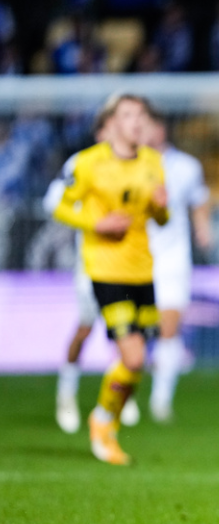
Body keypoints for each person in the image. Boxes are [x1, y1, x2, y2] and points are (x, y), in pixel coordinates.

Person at [52, 93, 168, 465]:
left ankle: (109, 420)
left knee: (139, 360)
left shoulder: (152, 161)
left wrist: (160, 208)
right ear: (112, 123)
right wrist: (96, 223)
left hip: (142, 270)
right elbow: (58, 204)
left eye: (142, 115)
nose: (137, 122)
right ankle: (102, 423)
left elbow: (160, 218)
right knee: (132, 358)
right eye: (128, 115)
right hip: (105, 270)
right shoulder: (88, 164)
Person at [47, 110, 142, 433]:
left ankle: (119, 398)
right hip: (93, 263)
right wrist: (94, 224)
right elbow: (52, 201)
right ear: (102, 131)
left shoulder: (138, 163)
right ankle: (66, 394)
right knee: (85, 330)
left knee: (124, 335)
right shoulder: (82, 163)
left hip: (128, 266)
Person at [141, 107, 212, 422]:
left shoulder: (186, 166)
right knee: (134, 332)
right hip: (134, 258)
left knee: (169, 327)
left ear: (164, 128)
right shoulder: (129, 166)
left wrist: (202, 229)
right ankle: (124, 396)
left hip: (172, 258)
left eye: (155, 125)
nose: (150, 132)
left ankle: (160, 398)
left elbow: (199, 200)